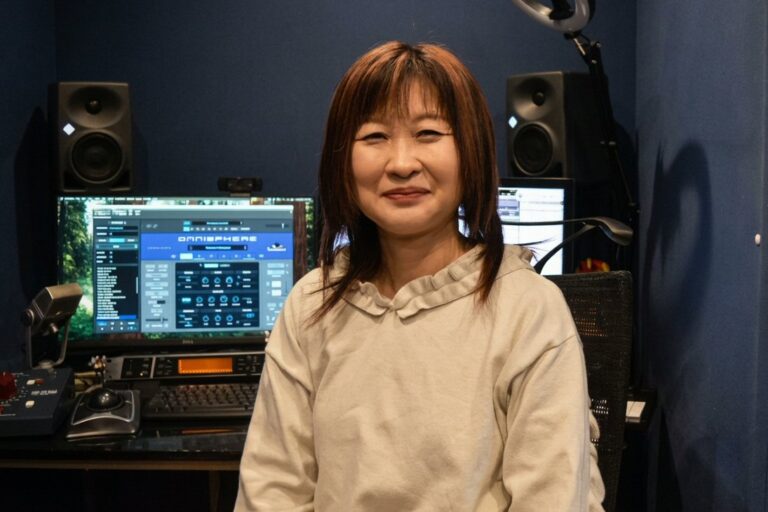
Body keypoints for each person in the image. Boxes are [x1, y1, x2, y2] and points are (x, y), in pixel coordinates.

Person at [235, 41, 605, 511]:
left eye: (428, 133)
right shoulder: (312, 304)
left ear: (470, 150)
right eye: (374, 137)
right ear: (342, 160)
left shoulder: (529, 310)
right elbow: (272, 489)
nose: (402, 163)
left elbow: (552, 497)